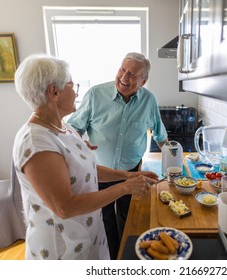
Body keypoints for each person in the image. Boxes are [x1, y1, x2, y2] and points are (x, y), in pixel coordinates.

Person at [12, 53, 158, 260]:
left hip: (87, 241)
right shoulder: (36, 141)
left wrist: (128, 176)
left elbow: (87, 170)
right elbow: (65, 207)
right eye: (72, 85)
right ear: (54, 91)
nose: (76, 91)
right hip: (62, 250)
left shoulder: (64, 128)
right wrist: (125, 187)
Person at [67, 52, 168, 259]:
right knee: (103, 218)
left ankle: (128, 256)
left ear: (143, 81)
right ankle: (113, 259)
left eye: (132, 75)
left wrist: (172, 155)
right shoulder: (95, 94)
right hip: (99, 171)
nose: (124, 77)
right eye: (122, 70)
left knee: (128, 216)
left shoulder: (148, 100)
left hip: (130, 171)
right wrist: (79, 143)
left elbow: (160, 133)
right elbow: (73, 128)